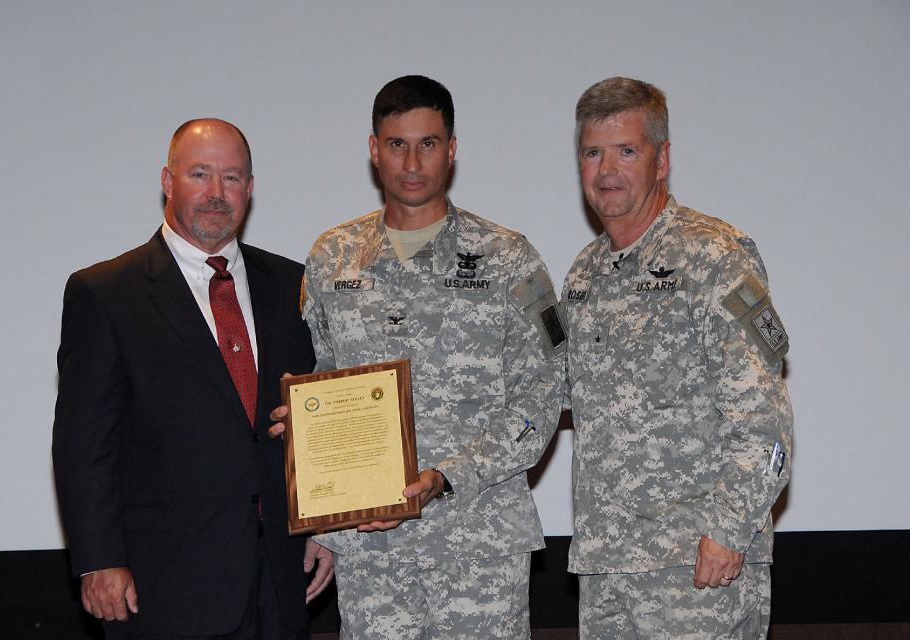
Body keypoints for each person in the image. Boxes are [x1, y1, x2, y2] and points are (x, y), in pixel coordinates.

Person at [275, 75, 566, 639]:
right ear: (373, 149)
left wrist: (447, 477)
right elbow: (320, 378)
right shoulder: (332, 258)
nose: (412, 162)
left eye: (428, 143)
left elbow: (542, 396)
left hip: (479, 550)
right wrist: (308, 450)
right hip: (372, 554)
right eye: (396, 144)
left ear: (452, 150)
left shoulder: (508, 258)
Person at [52, 118, 333, 639]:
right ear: (167, 180)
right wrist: (97, 559)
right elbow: (83, 442)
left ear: (250, 189)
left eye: (231, 178)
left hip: (280, 578)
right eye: (199, 174)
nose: (216, 193)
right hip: (164, 584)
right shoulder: (106, 292)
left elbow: (312, 414)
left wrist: (326, 525)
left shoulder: (294, 285)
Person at [562, 77, 793, 638]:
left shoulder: (713, 255)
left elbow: (764, 421)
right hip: (607, 567)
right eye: (593, 152)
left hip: (695, 568)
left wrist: (729, 530)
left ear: (661, 160)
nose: (606, 170)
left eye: (626, 151)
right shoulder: (584, 275)